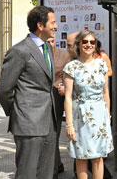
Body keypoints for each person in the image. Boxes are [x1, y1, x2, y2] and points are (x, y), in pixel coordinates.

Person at [0, 5, 58, 179]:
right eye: (53, 22)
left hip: (49, 123)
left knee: (46, 173)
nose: (56, 26)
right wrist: (18, 112)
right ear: (40, 25)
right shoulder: (20, 50)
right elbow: (4, 89)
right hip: (28, 124)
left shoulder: (47, 48)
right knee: (27, 173)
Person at [64, 31, 113, 179]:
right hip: (80, 115)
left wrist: (107, 116)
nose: (88, 45)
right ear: (79, 44)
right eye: (85, 41)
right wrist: (69, 125)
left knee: (98, 157)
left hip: (100, 115)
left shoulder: (102, 64)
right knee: (81, 156)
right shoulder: (71, 67)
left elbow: (106, 93)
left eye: (92, 42)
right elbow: (67, 97)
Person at [47, 37, 72, 176]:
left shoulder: (64, 55)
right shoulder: (39, 53)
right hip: (43, 97)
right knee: (49, 132)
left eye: (52, 41)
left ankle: (55, 167)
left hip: (57, 95)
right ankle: (57, 164)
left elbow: (67, 75)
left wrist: (62, 84)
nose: (50, 43)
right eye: (48, 41)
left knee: (54, 131)